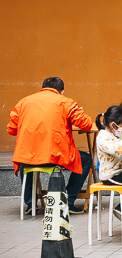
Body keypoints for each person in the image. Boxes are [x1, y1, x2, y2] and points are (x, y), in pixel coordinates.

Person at [7, 77, 93, 215]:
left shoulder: (23, 102)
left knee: (26, 160)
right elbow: (87, 124)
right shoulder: (65, 102)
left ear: (42, 88)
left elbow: (11, 130)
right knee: (87, 159)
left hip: (28, 155)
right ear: (61, 91)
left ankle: (30, 203)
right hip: (55, 156)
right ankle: (68, 201)